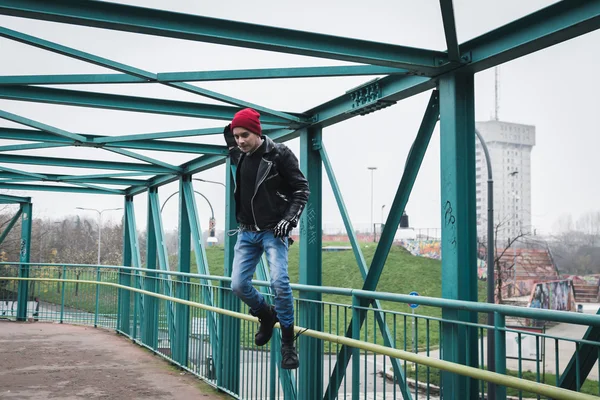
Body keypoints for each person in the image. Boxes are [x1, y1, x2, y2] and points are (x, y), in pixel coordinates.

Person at [223, 108, 310, 370]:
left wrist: (290, 219)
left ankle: (287, 344)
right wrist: (234, 128)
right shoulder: (238, 152)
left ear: (258, 133)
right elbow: (227, 132)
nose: (239, 141)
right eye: (236, 136)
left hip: (274, 231)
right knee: (238, 285)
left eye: (245, 135)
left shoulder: (279, 154)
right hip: (247, 232)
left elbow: (301, 189)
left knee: (279, 284)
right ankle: (265, 313)